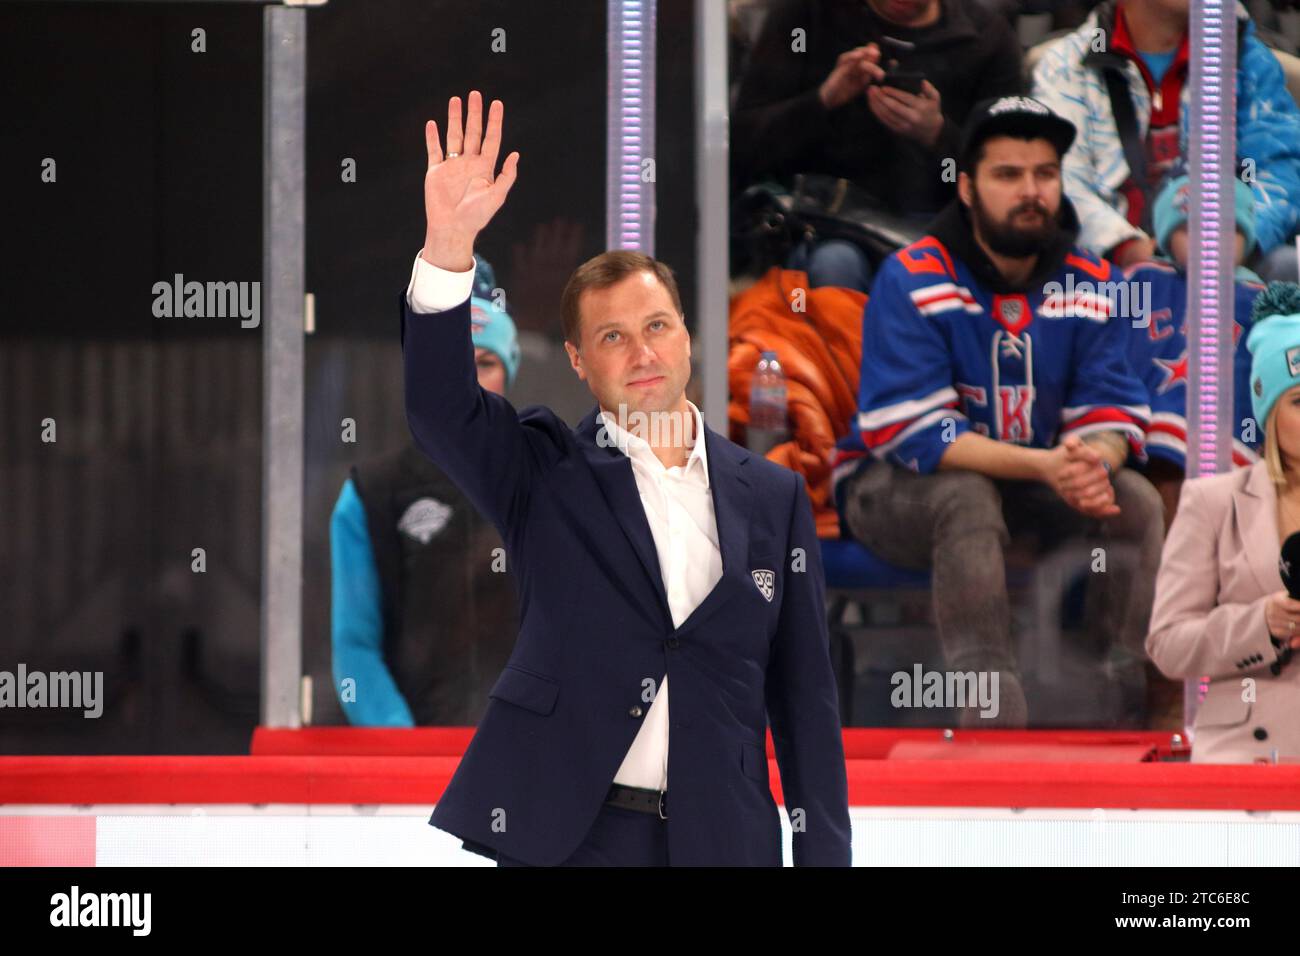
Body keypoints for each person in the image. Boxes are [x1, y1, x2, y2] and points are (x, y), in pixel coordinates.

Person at [402, 92, 850, 866]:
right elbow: (442, 409)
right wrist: (448, 246)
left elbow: (805, 704)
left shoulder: (773, 498)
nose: (641, 353)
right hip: (571, 835)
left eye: (656, 327)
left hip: (724, 838)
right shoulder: (542, 472)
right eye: (612, 336)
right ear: (577, 361)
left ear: (688, 338)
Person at [831, 95, 1165, 727]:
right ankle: (990, 720)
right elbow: (919, 433)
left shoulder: (1093, 282)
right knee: (966, 497)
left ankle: (1113, 697)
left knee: (1136, 502)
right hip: (894, 491)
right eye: (1008, 175)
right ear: (966, 187)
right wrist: (1047, 466)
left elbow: (1113, 406)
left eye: (1044, 174)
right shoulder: (913, 275)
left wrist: (1092, 463)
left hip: (1031, 481)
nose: (1030, 191)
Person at [330, 265, 522, 727]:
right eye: (456, 362)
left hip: (528, 757)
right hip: (414, 769)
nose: (470, 380)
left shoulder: (550, 476)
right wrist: (403, 748)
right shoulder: (371, 493)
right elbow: (355, 645)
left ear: (509, 372)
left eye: (487, 363)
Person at [731, 0, 1024, 290]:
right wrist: (823, 101)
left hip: (940, 222)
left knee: (938, 272)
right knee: (836, 265)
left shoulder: (987, 36)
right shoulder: (808, 17)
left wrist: (937, 134)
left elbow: (1010, 168)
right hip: (826, 218)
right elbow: (742, 148)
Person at [1031, 0, 1300, 279]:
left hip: (1232, 268)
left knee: (1286, 265)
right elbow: (1063, 179)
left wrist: (1236, 238)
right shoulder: (1068, 64)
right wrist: (1128, 247)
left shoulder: (1246, 57)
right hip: (1107, 273)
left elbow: (1278, 170)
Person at [1146, 282, 1300, 762]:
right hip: (1243, 753)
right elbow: (1169, 644)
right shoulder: (1212, 502)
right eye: (1299, 402)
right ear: (1269, 411)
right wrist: (1263, 624)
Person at [1124, 171, 1266, 530]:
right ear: (1167, 238)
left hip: (1230, 439)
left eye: (1226, 231)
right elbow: (1110, 349)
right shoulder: (1143, 279)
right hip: (1147, 436)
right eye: (1193, 230)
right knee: (1164, 484)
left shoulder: (1261, 301)